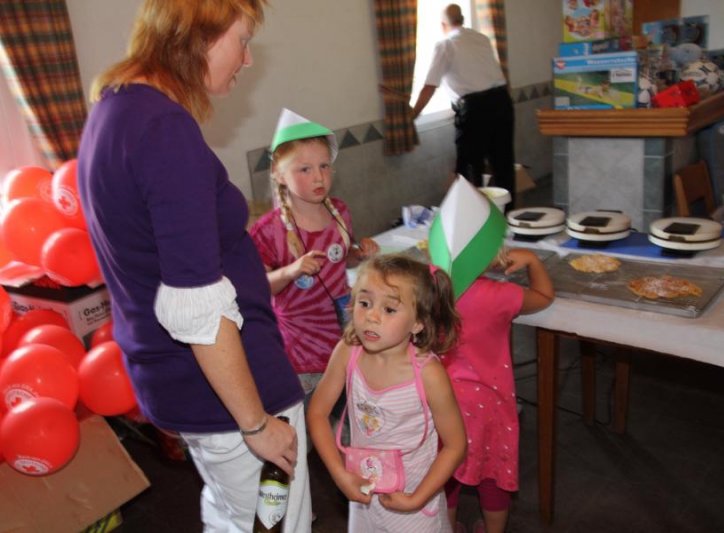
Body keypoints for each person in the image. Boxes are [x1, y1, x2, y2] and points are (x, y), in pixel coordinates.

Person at [76, 1, 311, 531]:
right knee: (277, 523)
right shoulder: (164, 129)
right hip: (230, 391)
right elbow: (196, 306)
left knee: (230, 514)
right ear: (197, 37)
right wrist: (256, 423)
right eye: (242, 41)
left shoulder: (114, 106)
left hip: (179, 381)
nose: (247, 59)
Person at [308, 253, 468, 532]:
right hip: (363, 495)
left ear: (418, 322)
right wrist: (339, 474)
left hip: (415, 506)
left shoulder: (428, 374)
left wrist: (416, 499)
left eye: (390, 309)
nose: (371, 316)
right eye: (364, 303)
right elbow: (318, 413)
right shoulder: (348, 351)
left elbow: (456, 446)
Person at [433, 182, 554, 533]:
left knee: (446, 471)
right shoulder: (501, 295)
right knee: (493, 472)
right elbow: (544, 296)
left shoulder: (429, 287)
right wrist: (532, 260)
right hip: (490, 402)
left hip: (440, 399)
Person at [250, 107, 379, 403]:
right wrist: (291, 271)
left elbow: (340, 260)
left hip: (343, 338)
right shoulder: (268, 230)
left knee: (349, 412)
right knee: (310, 417)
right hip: (300, 353)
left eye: (324, 166)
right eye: (305, 169)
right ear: (279, 174)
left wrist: (359, 254)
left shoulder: (339, 211)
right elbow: (256, 288)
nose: (319, 177)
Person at [412, 4, 515, 210]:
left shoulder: (446, 45)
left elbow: (430, 87)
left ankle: (475, 218)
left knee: (469, 169)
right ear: (462, 20)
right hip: (502, 102)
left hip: (476, 110)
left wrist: (412, 115)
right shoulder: (481, 38)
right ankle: (506, 218)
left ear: (443, 25)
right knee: (503, 164)